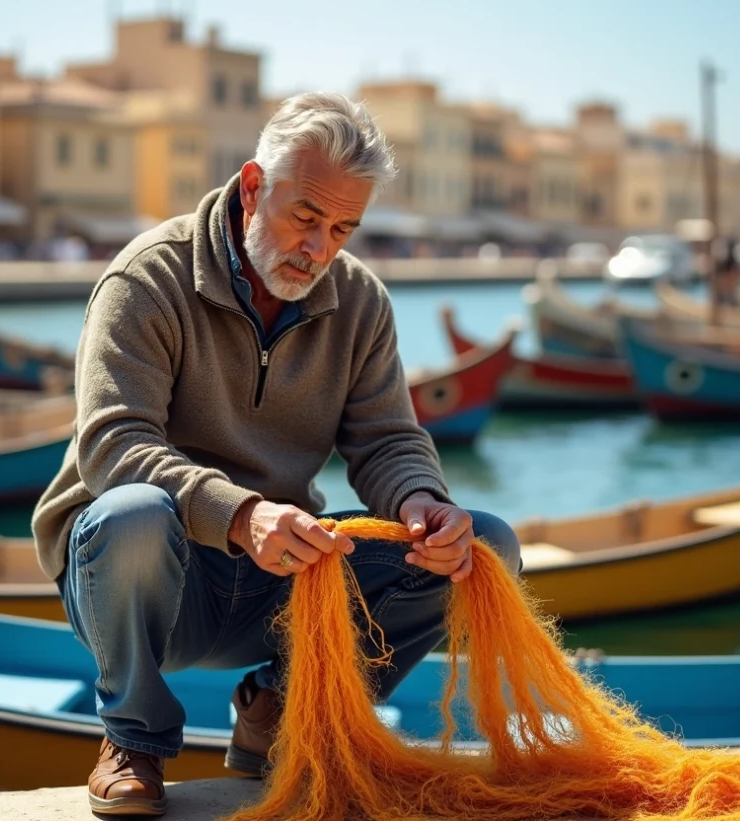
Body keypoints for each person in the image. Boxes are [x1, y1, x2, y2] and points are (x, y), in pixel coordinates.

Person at [31, 92, 521, 817]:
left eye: (342, 229)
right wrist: (242, 515)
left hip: (281, 569)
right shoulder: (147, 278)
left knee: (484, 546)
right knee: (133, 514)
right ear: (253, 186)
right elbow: (113, 445)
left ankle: (281, 711)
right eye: (306, 217)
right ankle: (132, 739)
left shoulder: (360, 302)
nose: (319, 248)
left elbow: (388, 440)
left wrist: (424, 502)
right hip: (149, 576)